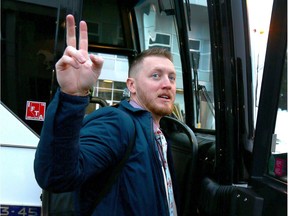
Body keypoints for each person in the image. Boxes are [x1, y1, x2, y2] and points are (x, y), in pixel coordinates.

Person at [34, 14, 179, 216]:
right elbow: (58, 176)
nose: (167, 84)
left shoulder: (158, 134)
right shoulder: (117, 123)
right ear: (132, 86)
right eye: (156, 75)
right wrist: (72, 97)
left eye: (172, 77)